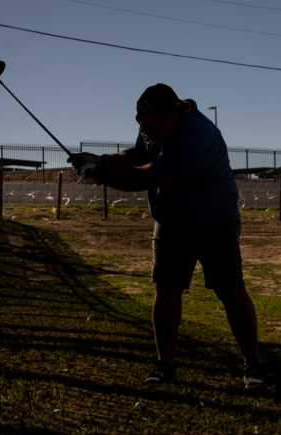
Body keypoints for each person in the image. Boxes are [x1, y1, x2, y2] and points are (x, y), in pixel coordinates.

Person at [69, 83, 267, 388]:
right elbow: (138, 154)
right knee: (167, 290)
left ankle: (252, 364)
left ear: (172, 119)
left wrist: (97, 174)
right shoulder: (154, 127)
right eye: (139, 123)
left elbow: (146, 176)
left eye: (148, 124)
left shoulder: (196, 137)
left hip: (214, 222)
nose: (143, 130)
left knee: (231, 291)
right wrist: (103, 159)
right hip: (171, 223)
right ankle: (165, 365)